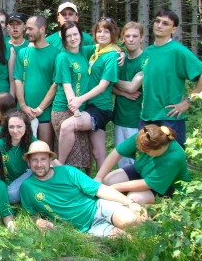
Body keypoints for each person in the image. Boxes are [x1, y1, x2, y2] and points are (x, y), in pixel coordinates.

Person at [118, 9, 202, 148]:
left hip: (169, 118)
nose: (159, 25)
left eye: (165, 23)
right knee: (145, 158)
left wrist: (188, 101)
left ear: (174, 29)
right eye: (157, 21)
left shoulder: (177, 51)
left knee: (171, 158)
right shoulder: (148, 51)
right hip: (146, 117)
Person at [19, 141, 147, 237]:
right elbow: (31, 214)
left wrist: (129, 202)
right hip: (88, 227)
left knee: (132, 222)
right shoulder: (27, 187)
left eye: (43, 159)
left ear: (50, 160)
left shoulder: (68, 171)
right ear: (29, 163)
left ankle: (152, 229)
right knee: (125, 238)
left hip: (98, 207)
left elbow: (99, 189)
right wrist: (38, 221)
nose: (39, 164)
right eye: (34, 160)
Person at [57, 17, 120, 174]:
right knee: (98, 153)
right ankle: (102, 182)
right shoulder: (94, 52)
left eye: (106, 32)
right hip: (91, 106)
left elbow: (103, 85)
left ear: (113, 34)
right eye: (99, 31)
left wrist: (79, 100)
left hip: (99, 107)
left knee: (67, 126)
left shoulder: (111, 56)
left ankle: (59, 165)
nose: (102, 34)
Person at [94, 125, 191, 205]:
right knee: (108, 180)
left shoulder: (174, 157)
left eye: (146, 151)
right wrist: (99, 177)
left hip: (167, 186)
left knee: (134, 199)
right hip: (143, 171)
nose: (142, 152)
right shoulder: (144, 135)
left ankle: (159, 209)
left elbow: (148, 183)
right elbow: (118, 152)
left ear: (160, 148)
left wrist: (115, 188)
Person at [50, 21, 91, 171]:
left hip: (79, 109)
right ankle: (62, 182)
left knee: (80, 155)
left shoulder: (84, 52)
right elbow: (67, 86)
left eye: (75, 34)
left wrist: (120, 52)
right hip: (64, 110)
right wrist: (77, 114)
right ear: (63, 38)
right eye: (69, 36)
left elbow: (106, 47)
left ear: (81, 35)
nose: (73, 38)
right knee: (71, 157)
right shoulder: (63, 57)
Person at [13, 15, 58, 148]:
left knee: (45, 149)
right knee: (24, 149)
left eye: (30, 29)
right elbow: (17, 80)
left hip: (45, 112)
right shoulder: (23, 52)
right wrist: (23, 106)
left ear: (42, 29)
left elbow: (56, 84)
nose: (27, 32)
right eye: (26, 29)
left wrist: (40, 108)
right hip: (24, 112)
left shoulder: (56, 53)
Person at [112, 22, 145, 168]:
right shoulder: (120, 59)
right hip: (119, 117)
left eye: (135, 36)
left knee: (136, 162)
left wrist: (112, 79)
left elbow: (132, 87)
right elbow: (107, 87)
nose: (131, 39)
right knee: (122, 162)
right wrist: (122, 92)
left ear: (141, 38)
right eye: (128, 36)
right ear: (123, 38)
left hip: (136, 119)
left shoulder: (145, 60)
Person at [0, 109, 39, 204]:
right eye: (11, 127)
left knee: (43, 167)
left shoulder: (30, 140)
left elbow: (47, 157)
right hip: (7, 186)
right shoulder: (0, 144)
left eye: (19, 126)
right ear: (7, 127)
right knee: (10, 196)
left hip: (25, 178)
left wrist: (64, 170)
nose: (15, 131)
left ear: (26, 126)